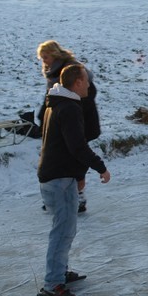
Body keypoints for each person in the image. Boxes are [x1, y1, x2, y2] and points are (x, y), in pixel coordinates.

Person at [38, 64, 110, 296]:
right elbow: (77, 146)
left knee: (65, 229)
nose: (89, 85)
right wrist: (100, 166)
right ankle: (53, 283)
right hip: (59, 179)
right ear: (77, 83)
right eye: (86, 81)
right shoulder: (68, 108)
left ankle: (59, 273)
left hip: (57, 176)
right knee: (62, 231)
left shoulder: (57, 103)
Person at [37, 40, 101, 211]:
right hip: (66, 119)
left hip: (79, 120)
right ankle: (61, 194)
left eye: (46, 57)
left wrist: (76, 114)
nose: (44, 61)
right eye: (41, 58)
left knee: (77, 157)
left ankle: (79, 197)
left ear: (55, 54)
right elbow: (52, 94)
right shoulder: (53, 71)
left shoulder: (71, 68)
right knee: (65, 157)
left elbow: (89, 91)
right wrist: (44, 113)